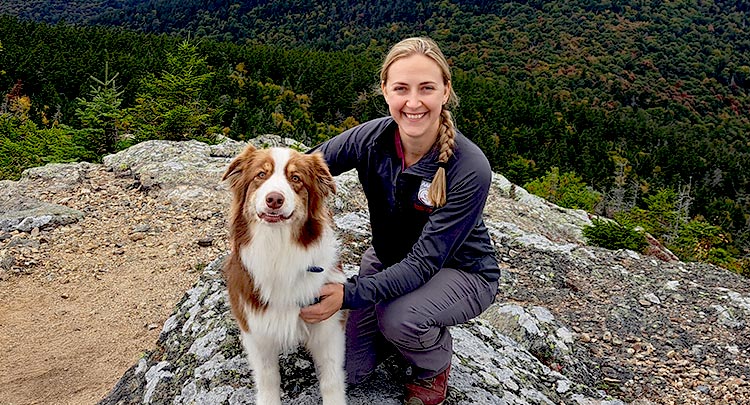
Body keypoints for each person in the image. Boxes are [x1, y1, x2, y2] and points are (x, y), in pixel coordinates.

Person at [300, 37, 500, 405]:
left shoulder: (469, 167)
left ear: (445, 91)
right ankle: (391, 336)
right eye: (401, 88)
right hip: (389, 258)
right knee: (349, 371)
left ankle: (432, 364)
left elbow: (425, 262)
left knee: (400, 319)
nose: (413, 102)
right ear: (384, 90)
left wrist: (350, 293)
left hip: (461, 271)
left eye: (426, 88)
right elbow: (304, 169)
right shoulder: (371, 138)